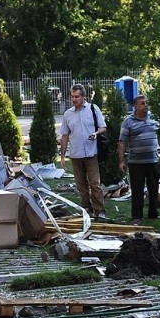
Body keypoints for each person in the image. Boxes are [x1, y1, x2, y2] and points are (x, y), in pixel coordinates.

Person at [59, 83, 107, 221]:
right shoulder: (68, 114)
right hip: (75, 154)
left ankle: (100, 210)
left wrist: (96, 133)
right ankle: (87, 207)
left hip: (91, 153)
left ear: (83, 97)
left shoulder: (92, 109)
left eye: (77, 97)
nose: (74, 99)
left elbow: (103, 127)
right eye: (72, 97)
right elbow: (64, 136)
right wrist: (62, 156)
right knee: (81, 185)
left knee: (94, 183)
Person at [118, 94, 160, 225]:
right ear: (135, 106)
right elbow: (121, 142)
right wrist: (121, 161)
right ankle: (137, 216)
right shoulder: (128, 121)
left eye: (146, 103)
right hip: (136, 163)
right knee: (137, 190)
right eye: (142, 103)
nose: (146, 105)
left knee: (154, 189)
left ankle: (153, 213)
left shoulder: (154, 119)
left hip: (153, 161)